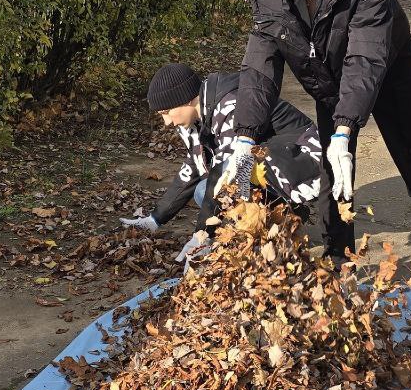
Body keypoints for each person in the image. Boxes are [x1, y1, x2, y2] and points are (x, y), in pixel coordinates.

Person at [217, 0, 411, 267]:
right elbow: (260, 67)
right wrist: (244, 136)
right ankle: (337, 254)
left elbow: (366, 55)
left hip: (388, 66)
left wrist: (347, 127)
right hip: (329, 77)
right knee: (334, 166)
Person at [121, 63, 322, 262]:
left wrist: (201, 237)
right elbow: (192, 168)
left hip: (301, 159)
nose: (167, 122)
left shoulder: (230, 106)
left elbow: (226, 173)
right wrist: (155, 219)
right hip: (268, 163)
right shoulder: (199, 116)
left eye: (166, 112)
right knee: (203, 190)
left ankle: (285, 216)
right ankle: (268, 219)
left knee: (224, 180)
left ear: (187, 99)